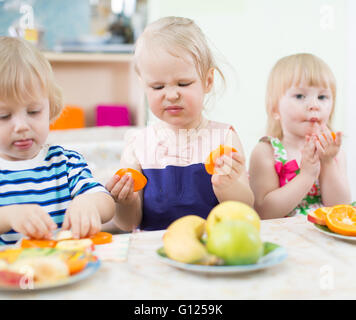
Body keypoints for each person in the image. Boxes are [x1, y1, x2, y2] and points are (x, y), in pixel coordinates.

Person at [106, 16, 254, 231]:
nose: (172, 95)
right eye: (157, 87)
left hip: (211, 249)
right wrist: (125, 201)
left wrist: (228, 186)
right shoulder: (138, 144)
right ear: (144, 86)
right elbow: (128, 223)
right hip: (154, 254)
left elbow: (246, 209)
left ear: (208, 81)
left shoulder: (224, 138)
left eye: (183, 83)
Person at [0, 37, 115, 245]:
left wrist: (88, 203)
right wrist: (9, 216)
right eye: (4, 116)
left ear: (50, 108)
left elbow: (106, 203)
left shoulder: (65, 162)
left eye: (33, 111)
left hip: (64, 267)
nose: (21, 126)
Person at [249, 53, 351, 219]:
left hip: (324, 240)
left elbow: (341, 210)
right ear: (275, 109)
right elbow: (264, 212)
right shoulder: (266, 152)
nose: (314, 105)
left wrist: (327, 162)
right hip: (283, 240)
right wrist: (307, 175)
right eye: (299, 96)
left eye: (322, 97)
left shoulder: (335, 153)